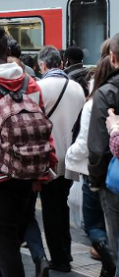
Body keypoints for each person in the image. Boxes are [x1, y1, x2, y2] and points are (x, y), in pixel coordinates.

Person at [0, 23, 56, 277]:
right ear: (7, 51)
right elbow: (40, 130)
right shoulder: (31, 85)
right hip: (27, 174)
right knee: (12, 237)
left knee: (7, 250)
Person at [66, 55, 116, 277]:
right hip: (112, 171)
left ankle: (109, 258)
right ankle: (108, 265)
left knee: (93, 225)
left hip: (97, 172)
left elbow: (88, 145)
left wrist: (68, 156)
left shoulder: (94, 102)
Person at [37, 46, 85, 273]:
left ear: (44, 65)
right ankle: (66, 250)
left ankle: (59, 257)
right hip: (72, 157)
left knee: (50, 207)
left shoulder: (39, 88)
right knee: (62, 204)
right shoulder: (77, 88)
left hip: (48, 157)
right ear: (61, 63)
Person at [88, 33, 119, 276]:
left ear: (113, 58)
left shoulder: (106, 93)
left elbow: (97, 147)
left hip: (114, 182)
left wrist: (96, 182)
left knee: (116, 245)